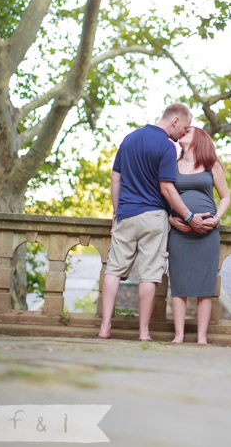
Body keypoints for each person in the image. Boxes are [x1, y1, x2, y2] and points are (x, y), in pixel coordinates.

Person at [97, 104, 213, 340]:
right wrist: (189, 217)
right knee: (149, 274)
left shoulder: (129, 139)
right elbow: (167, 187)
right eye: (185, 127)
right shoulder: (166, 146)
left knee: (113, 270)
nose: (184, 133)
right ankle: (143, 332)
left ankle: (105, 328)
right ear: (175, 120)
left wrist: (116, 212)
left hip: (126, 215)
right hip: (153, 216)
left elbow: (115, 177)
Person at [168, 126, 230, 344]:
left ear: (200, 137)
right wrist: (171, 219)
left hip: (207, 233)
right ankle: (179, 336)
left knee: (205, 286)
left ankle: (202, 338)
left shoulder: (211, 164)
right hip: (179, 233)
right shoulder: (172, 165)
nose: (184, 131)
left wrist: (217, 218)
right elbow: (164, 195)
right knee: (179, 284)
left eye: (189, 130)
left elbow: (225, 197)